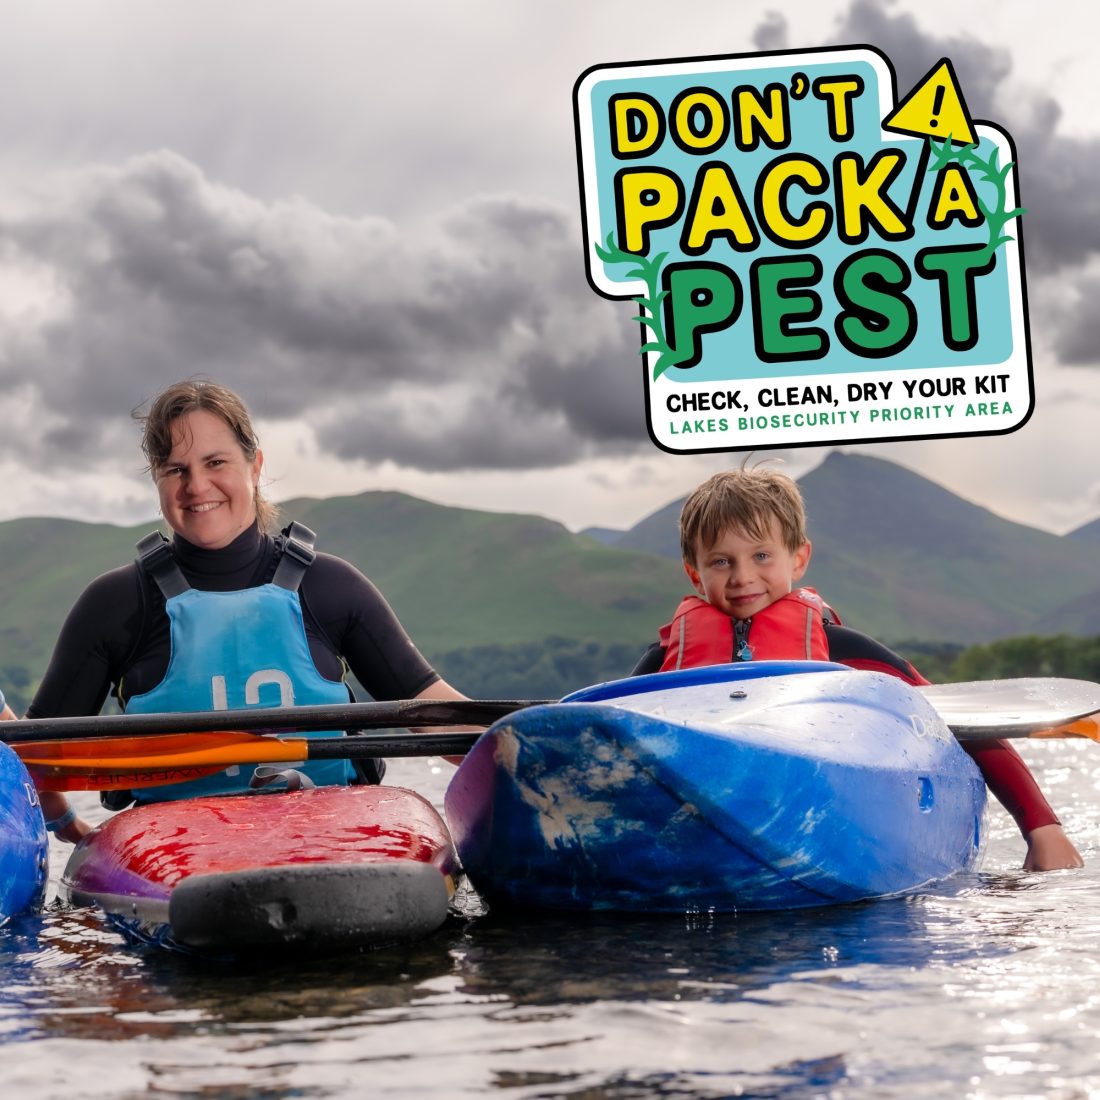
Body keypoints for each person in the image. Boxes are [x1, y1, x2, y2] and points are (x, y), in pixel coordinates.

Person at [30, 379, 473, 842]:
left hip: (335, 842)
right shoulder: (115, 603)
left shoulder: (332, 588)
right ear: (157, 480)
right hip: (175, 862)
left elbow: (435, 713)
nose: (197, 485)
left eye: (215, 462)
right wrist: (69, 828)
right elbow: (33, 757)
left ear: (254, 465)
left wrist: (527, 743)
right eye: (175, 469)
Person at [631, 467, 1083, 873]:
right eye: (721, 561)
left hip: (820, 814)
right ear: (695, 574)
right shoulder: (667, 660)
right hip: (704, 821)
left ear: (799, 558)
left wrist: (1042, 829)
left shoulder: (841, 649)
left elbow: (965, 722)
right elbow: (608, 736)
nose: (742, 576)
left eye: (761, 556)